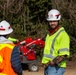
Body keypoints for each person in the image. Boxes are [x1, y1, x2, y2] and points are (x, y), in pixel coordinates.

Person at [42, 9, 70, 75]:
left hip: (56, 67)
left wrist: (52, 62)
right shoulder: (49, 34)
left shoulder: (63, 34)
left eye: (54, 21)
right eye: (50, 21)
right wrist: (46, 64)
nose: (52, 23)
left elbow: (64, 54)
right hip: (48, 67)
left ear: (58, 20)